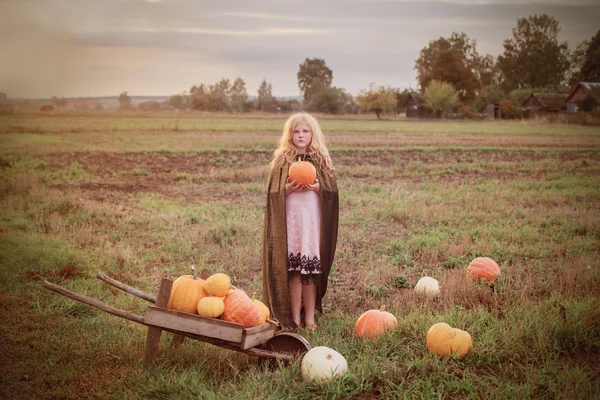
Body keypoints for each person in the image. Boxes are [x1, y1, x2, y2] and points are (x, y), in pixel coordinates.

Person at [262, 113, 339, 331]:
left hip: (312, 223)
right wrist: (286, 189)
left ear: (313, 134)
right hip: (291, 223)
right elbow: (272, 193)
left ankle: (310, 319)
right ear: (290, 135)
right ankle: (294, 318)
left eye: (305, 131)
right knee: (295, 271)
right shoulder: (282, 161)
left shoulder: (321, 160)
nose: (301, 135)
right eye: (296, 131)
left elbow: (332, 191)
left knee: (310, 271)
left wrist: (317, 188)